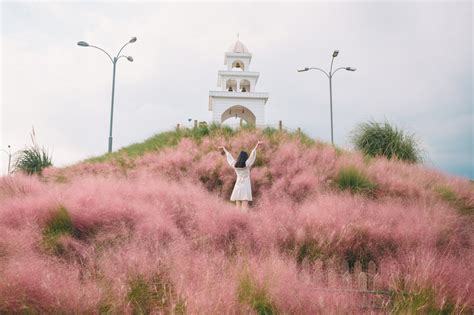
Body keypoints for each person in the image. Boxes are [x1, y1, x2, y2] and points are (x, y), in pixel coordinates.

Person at [218, 141, 262, 210]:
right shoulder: (247, 164)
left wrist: (224, 149)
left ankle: (238, 218)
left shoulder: (235, 165)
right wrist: (257, 145)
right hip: (245, 186)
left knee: (237, 207)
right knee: (245, 206)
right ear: (245, 158)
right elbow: (252, 155)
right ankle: (243, 219)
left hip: (238, 185)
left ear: (239, 157)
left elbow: (229, 157)